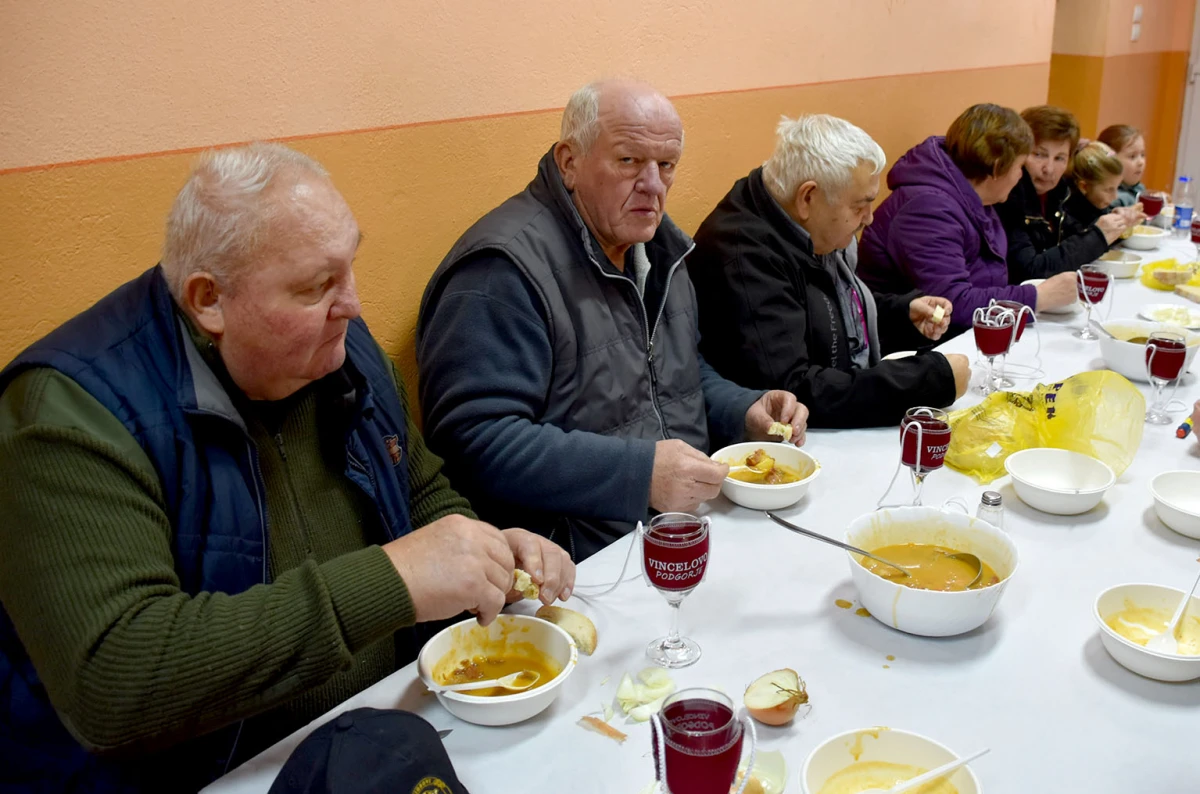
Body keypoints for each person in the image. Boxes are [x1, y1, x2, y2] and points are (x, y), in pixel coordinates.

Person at [0, 143, 575, 792]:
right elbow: (113, 681)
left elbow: (421, 492)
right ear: (208, 300)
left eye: (350, 267)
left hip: (371, 734)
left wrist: (485, 553)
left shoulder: (343, 354)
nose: (353, 305)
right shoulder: (71, 415)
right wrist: (392, 580)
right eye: (316, 286)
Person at [417, 79, 809, 562]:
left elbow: (675, 375)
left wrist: (742, 410)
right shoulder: (502, 270)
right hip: (578, 566)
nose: (652, 184)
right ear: (569, 163)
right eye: (628, 161)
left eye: (666, 165)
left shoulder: (662, 248)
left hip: (682, 532)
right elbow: (472, 443)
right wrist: (639, 474)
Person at [688, 114, 970, 428]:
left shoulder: (793, 218)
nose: (869, 218)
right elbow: (795, 389)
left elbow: (822, 311)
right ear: (808, 197)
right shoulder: (743, 256)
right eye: (860, 205)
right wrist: (929, 382)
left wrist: (900, 314)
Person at [857, 104, 1079, 332]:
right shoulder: (927, 208)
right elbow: (951, 305)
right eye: (1019, 166)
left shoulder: (976, 197)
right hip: (909, 345)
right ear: (996, 168)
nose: (1021, 176)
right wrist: (1038, 297)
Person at [997, 106, 1142, 282]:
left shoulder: (1060, 190)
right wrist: (1098, 236)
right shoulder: (1007, 197)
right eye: (1039, 155)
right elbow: (1030, 270)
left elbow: (1075, 235)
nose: (1049, 169)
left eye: (1059, 158)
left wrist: (1114, 223)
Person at [1064, 142, 1134, 232]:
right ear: (1084, 187)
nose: (1115, 197)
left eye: (1117, 187)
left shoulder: (1097, 204)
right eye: (1109, 190)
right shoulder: (1069, 220)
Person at [1099, 124, 1147, 207]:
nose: (1141, 162)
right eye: (1132, 156)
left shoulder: (1139, 188)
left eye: (1142, 155)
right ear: (1110, 160)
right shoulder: (1112, 200)